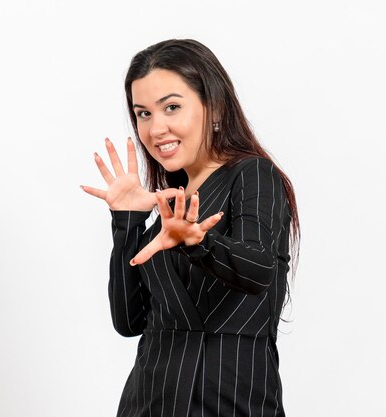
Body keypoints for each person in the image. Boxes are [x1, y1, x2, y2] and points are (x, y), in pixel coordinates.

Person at [81, 39, 300, 417]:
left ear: (213, 106)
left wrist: (200, 242)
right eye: (143, 114)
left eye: (172, 107)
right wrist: (127, 223)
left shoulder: (252, 175)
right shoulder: (171, 201)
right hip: (148, 402)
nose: (156, 128)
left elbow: (259, 267)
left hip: (230, 401)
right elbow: (128, 320)